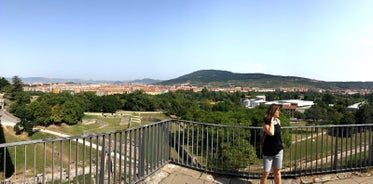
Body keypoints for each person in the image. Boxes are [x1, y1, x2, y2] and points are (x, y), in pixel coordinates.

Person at [260, 104, 283, 184]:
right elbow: (271, 133)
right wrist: (272, 122)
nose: (279, 112)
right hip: (268, 151)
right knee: (266, 172)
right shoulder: (265, 122)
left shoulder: (278, 121)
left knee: (277, 171)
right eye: (277, 110)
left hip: (278, 149)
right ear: (273, 111)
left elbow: (278, 134)